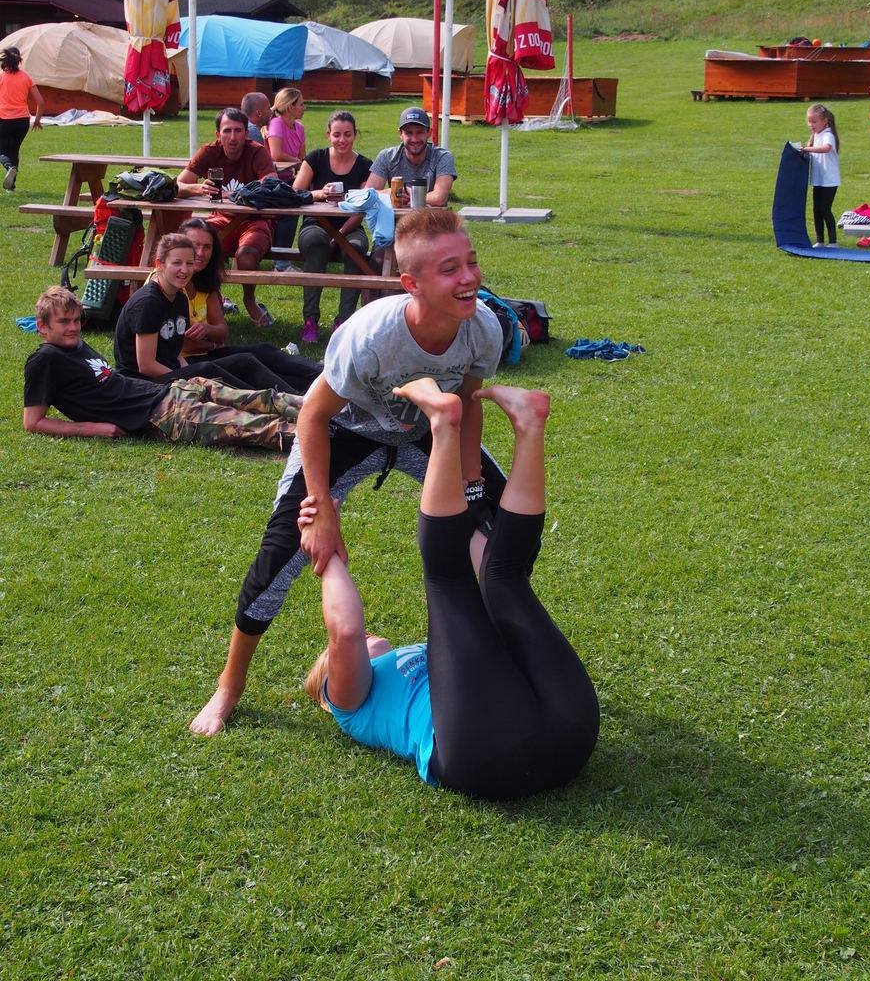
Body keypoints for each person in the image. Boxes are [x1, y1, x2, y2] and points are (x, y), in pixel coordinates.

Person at [190, 208, 505, 736]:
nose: (469, 277)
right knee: (283, 552)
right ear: (411, 284)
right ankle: (229, 686)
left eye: (470, 262)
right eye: (449, 269)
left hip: (426, 429)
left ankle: (504, 650)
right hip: (345, 430)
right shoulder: (371, 336)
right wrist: (321, 508)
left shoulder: (484, 327)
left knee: (501, 527)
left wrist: (472, 487)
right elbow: (313, 416)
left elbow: (469, 404)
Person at [303, 380, 600, 799]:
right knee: (448, 581)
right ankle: (442, 424)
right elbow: (346, 631)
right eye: (332, 658)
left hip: (568, 734)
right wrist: (326, 552)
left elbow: (485, 576)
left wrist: (476, 506)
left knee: (501, 575)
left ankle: (530, 425)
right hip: (492, 755)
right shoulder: (347, 705)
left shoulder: (436, 657)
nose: (369, 637)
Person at [24, 286, 301, 450]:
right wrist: (94, 428)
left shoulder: (76, 346)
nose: (73, 327)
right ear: (42, 327)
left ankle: (318, 410)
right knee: (255, 426)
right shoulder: (45, 359)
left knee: (264, 399)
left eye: (76, 320)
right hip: (162, 415)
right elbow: (33, 422)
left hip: (170, 391)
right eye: (64, 322)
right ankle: (319, 436)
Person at [114, 233, 311, 394]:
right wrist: (190, 379)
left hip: (172, 372)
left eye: (189, 263)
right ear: (160, 264)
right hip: (142, 383)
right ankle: (274, 403)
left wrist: (187, 370)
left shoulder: (179, 298)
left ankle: (295, 396)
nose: (184, 270)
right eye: (177, 263)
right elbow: (146, 365)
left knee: (244, 361)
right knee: (209, 370)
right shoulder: (148, 302)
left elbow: (175, 352)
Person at [175, 217, 321, 391]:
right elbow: (177, 344)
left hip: (206, 354)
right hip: (182, 363)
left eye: (207, 247)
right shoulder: (171, 284)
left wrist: (207, 330)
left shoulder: (204, 279)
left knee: (265, 351)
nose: (201, 252)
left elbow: (222, 332)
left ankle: (328, 377)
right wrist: (212, 343)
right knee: (248, 366)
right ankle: (303, 400)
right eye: (195, 245)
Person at [176, 107, 277, 327]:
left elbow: (272, 185)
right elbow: (178, 184)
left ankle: (249, 300)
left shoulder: (257, 152)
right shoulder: (209, 151)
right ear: (218, 134)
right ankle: (210, 301)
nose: (233, 137)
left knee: (247, 256)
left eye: (238, 131)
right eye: (227, 131)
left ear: (246, 134)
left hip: (255, 220)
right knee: (197, 247)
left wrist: (243, 194)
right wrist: (198, 188)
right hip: (222, 218)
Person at [292, 109, 373, 343]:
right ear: (328, 134)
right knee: (315, 244)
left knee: (356, 249)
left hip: (350, 226)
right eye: (337, 134)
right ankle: (310, 320)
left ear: (355, 134)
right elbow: (295, 193)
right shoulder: (315, 158)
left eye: (347, 134)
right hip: (315, 223)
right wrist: (318, 193)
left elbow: (363, 207)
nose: (342, 140)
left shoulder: (364, 165)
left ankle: (343, 321)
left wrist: (339, 234)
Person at [365, 107, 456, 207]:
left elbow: (439, 198)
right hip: (395, 217)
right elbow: (367, 195)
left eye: (420, 132)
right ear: (400, 134)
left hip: (432, 217)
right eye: (409, 133)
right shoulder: (387, 156)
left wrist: (406, 196)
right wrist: (389, 193)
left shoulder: (442, 157)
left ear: (429, 133)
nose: (414, 139)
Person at [266, 87, 307, 272]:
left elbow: (303, 156)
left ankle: (313, 249)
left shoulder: (300, 128)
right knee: (291, 210)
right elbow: (275, 154)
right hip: (273, 180)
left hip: (290, 178)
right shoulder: (276, 123)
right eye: (301, 104)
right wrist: (299, 163)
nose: (304, 107)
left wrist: (302, 165)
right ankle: (281, 263)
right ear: (290, 107)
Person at [0, 46, 44, 192]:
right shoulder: (26, 77)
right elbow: (41, 102)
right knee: (14, 151)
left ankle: (10, 167)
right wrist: (37, 120)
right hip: (22, 121)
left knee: (3, 150)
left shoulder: (1, 76)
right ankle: (10, 187)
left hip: (4, 119)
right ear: (19, 60)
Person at [803, 104, 841, 247]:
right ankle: (820, 241)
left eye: (814, 122)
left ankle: (833, 242)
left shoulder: (828, 135)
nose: (811, 125)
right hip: (818, 180)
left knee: (825, 209)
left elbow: (826, 148)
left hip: (829, 181)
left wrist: (808, 149)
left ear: (825, 121)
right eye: (809, 121)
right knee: (816, 210)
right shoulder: (816, 135)